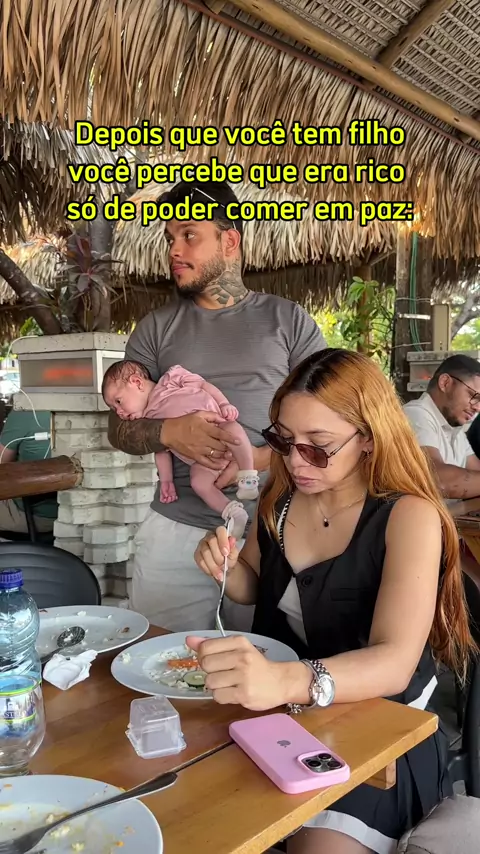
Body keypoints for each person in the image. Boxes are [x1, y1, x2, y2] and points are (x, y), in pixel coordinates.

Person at [192, 348, 473, 854]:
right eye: (283, 440)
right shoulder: (280, 500)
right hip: (277, 720)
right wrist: (225, 567)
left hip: (380, 733)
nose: (295, 461)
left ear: (368, 438)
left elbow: (394, 663)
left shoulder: (408, 516)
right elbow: (254, 584)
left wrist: (287, 679)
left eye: (318, 447)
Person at [107, 179, 326, 631]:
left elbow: (333, 419)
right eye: (170, 237)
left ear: (229, 241)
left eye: (189, 234)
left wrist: (261, 458)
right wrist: (170, 432)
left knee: (258, 660)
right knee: (160, 657)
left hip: (273, 527)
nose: (174, 249)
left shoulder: (289, 321)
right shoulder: (154, 329)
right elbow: (118, 429)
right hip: (176, 530)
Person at [102, 359, 259, 537]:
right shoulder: (149, 419)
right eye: (113, 408)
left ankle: (248, 478)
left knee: (234, 432)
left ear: (136, 382)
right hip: (206, 461)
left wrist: (224, 404)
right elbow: (161, 450)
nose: (119, 412)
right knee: (199, 482)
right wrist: (166, 481)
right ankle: (233, 513)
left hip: (219, 428)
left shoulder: (171, 379)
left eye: (118, 401)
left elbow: (204, 385)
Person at [403, 354, 480, 500]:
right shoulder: (415, 414)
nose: (477, 408)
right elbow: (438, 480)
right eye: (473, 396)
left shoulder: (455, 430)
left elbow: (476, 471)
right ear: (445, 383)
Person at [0, 408, 56, 534]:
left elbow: (1, 462)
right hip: (81, 514)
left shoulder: (25, 411)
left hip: (33, 515)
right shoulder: (92, 409)